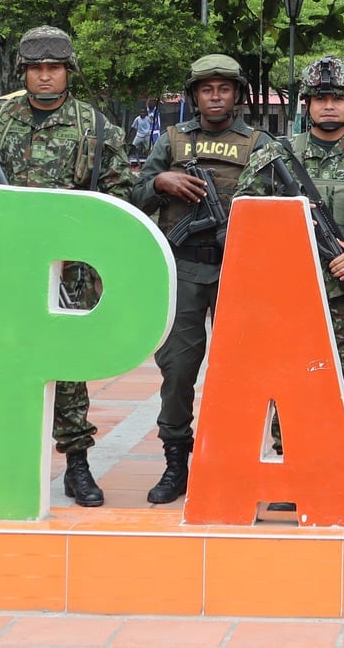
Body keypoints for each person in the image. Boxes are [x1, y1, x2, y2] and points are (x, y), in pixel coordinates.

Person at [0, 25, 136, 506]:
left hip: (69, 267)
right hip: (13, 266)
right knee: (6, 364)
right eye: (36, 68)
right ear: (24, 72)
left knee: (67, 365)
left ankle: (77, 465)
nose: (45, 76)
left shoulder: (94, 126)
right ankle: (0, 463)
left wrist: (84, 222)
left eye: (53, 67)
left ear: (68, 71)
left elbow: (120, 190)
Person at [237, 56, 344, 496]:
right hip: (291, 300)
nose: (329, 106)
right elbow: (244, 215)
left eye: (338, 98)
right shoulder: (278, 156)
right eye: (320, 98)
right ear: (307, 104)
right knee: (291, 392)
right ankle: (292, 480)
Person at [129, 53, 274, 504]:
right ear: (194, 95)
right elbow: (129, 197)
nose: (216, 96)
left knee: (244, 373)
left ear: (236, 95)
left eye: (224, 89)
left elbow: (283, 204)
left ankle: (232, 464)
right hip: (184, 268)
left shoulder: (260, 143)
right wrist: (160, 183)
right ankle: (177, 465)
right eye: (207, 89)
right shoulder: (170, 141)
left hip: (238, 270)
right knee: (176, 371)